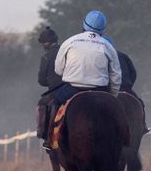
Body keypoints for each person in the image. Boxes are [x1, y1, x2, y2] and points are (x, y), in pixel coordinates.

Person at [45, 10, 121, 150]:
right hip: (100, 90)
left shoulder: (70, 41)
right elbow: (116, 76)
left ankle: (49, 139)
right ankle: (123, 140)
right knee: (118, 111)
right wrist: (113, 96)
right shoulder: (107, 46)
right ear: (103, 29)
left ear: (84, 25)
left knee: (52, 104)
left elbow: (58, 69)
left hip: (72, 88)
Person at [35, 26, 63, 147]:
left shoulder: (46, 57)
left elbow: (41, 81)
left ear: (47, 43)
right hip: (72, 87)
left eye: (43, 43)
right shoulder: (66, 50)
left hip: (55, 91)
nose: (43, 46)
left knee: (42, 104)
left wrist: (50, 81)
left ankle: (45, 134)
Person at [116, 50, 149, 133]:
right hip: (125, 88)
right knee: (140, 103)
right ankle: (143, 126)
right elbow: (133, 73)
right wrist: (129, 86)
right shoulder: (122, 55)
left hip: (109, 88)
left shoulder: (102, 55)